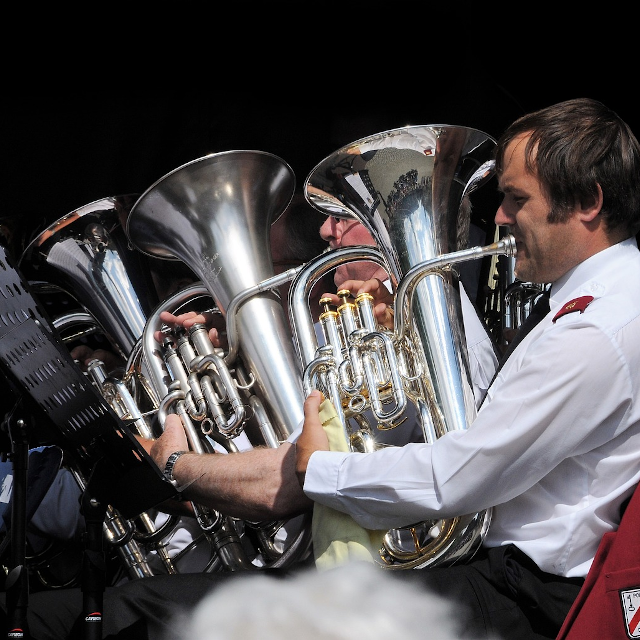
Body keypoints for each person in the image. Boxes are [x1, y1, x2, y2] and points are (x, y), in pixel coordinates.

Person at [5, 97, 639, 640]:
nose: (499, 218)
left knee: (138, 613)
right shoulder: (595, 309)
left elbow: (461, 475)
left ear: (586, 201)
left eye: (516, 199)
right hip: (487, 577)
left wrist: (317, 466)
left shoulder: (599, 325)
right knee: (125, 609)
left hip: (516, 598)